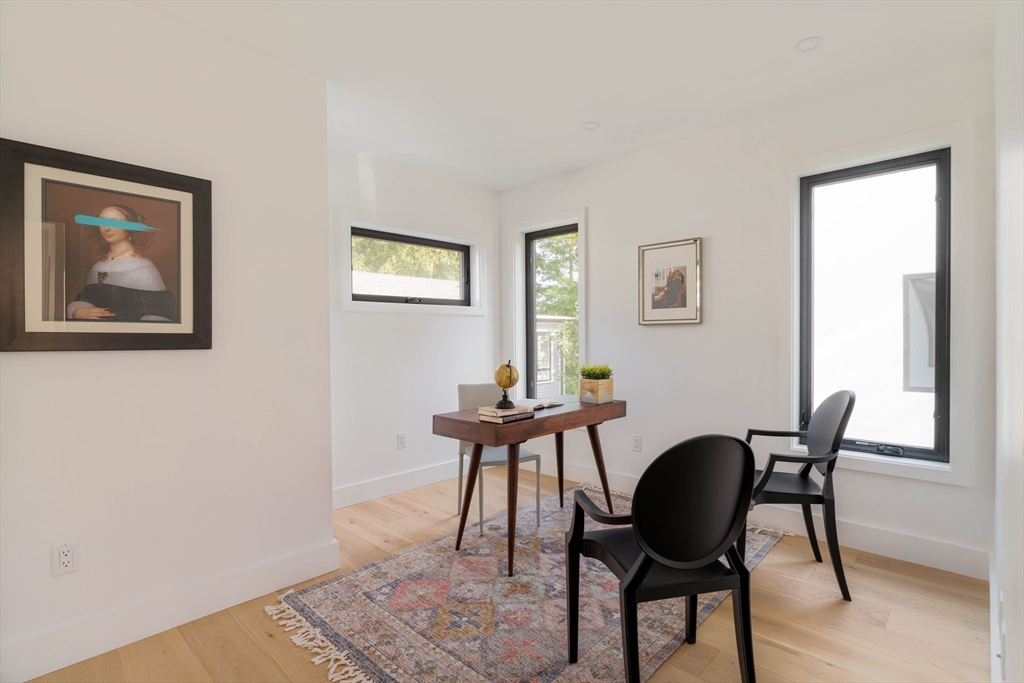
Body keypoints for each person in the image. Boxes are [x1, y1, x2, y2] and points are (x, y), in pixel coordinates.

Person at [67, 205, 179, 323]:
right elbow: (87, 298)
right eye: (101, 222)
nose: (106, 228)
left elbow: (157, 315)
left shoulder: (143, 267)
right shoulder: (97, 266)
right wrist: (78, 311)